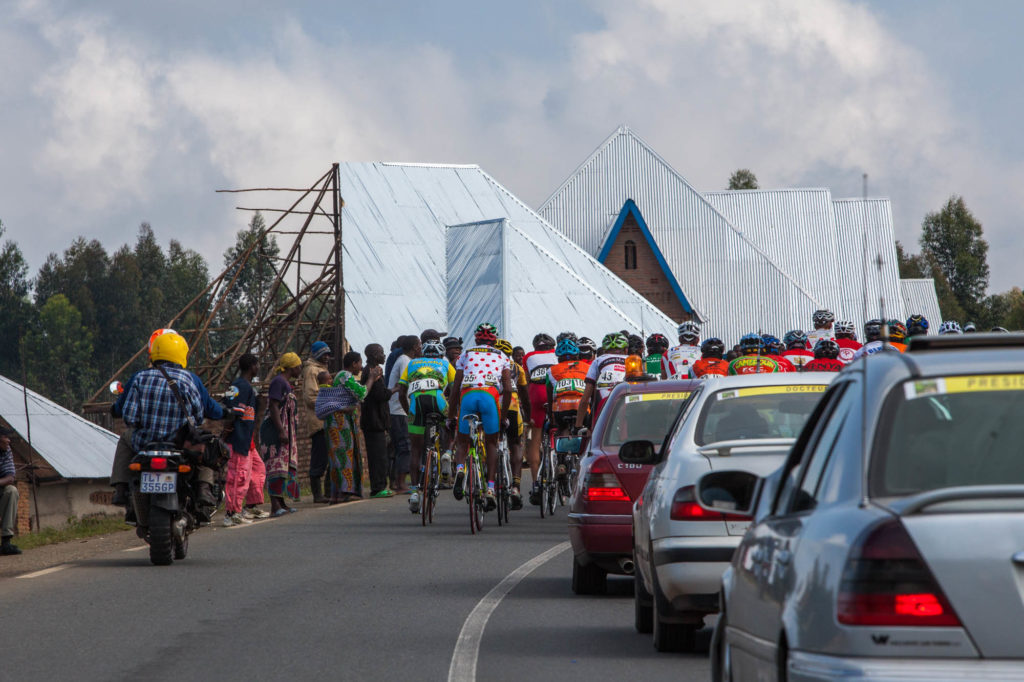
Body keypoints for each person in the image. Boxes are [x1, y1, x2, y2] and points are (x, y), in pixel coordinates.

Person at [447, 322, 513, 512]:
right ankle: (490, 488)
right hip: (489, 396)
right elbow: (508, 389)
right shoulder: (502, 356)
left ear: (476, 338)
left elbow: (454, 389)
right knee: (491, 444)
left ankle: (460, 469)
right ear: (495, 340)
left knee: (462, 442)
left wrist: (451, 416)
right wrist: (504, 415)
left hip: (468, 395)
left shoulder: (465, 354)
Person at [398, 340, 455, 513]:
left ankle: (415, 492)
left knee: (416, 450)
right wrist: (452, 413)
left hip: (416, 405)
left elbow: (401, 392)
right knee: (452, 426)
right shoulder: (445, 364)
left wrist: (409, 413)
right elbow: (454, 391)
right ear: (441, 354)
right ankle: (447, 453)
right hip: (438, 400)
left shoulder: (412, 363)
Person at [222, 354, 268, 526]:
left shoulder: (245, 387)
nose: (259, 368)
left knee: (257, 469)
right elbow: (231, 414)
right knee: (238, 476)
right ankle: (232, 512)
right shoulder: (239, 386)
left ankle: (250, 505)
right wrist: (225, 434)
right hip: (238, 439)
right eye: (257, 365)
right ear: (253, 366)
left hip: (247, 440)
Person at [320, 352, 373, 504]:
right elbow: (362, 393)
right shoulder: (345, 376)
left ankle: (340, 493)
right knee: (342, 456)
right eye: (360, 363)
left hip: (340, 421)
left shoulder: (341, 376)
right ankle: (343, 493)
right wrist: (371, 379)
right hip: (339, 423)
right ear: (354, 363)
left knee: (341, 456)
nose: (361, 367)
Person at [260, 352, 302, 516]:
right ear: (293, 367)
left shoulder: (285, 383)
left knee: (284, 467)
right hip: (274, 431)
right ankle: (274, 506)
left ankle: (281, 503)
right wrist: (281, 430)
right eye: (299, 366)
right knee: (275, 466)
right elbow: (274, 407)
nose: (300, 369)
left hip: (285, 431)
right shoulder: (278, 382)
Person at [495, 338, 530, 509]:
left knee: (491, 441)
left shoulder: (489, 362)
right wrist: (529, 415)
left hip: (494, 404)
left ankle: (490, 484)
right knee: (516, 443)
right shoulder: (517, 368)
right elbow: (524, 394)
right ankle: (515, 486)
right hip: (513, 406)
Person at [523, 333, 557, 494]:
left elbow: (527, 379)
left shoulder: (528, 356)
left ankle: (536, 482)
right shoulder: (557, 355)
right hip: (554, 394)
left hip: (535, 395)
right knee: (559, 430)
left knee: (534, 440)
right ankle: (560, 467)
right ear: (552, 347)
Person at [300, 341, 332, 503]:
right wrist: (330, 403)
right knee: (319, 458)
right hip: (319, 420)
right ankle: (317, 495)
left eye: (328, 354)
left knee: (328, 457)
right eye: (323, 354)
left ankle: (327, 492)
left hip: (326, 419)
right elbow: (311, 397)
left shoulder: (321, 369)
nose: (327, 357)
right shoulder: (312, 370)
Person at [576, 332, 629, 430]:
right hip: (628, 405)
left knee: (594, 435)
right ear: (626, 350)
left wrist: (578, 425)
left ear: (604, 350)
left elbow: (585, 398)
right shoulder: (633, 360)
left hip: (604, 404)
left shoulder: (598, 360)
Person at [359, 344, 392, 498]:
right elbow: (379, 395)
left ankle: (379, 485)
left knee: (380, 455)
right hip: (373, 420)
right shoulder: (371, 371)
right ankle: (378, 487)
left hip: (376, 419)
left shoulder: (374, 370)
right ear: (373, 355)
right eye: (380, 353)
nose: (384, 356)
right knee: (377, 456)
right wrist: (394, 390)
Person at [388, 335, 420, 493]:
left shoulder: (404, 360)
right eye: (420, 345)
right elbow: (404, 387)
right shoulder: (406, 361)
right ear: (415, 347)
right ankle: (401, 483)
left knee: (400, 446)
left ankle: (396, 482)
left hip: (399, 409)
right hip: (400, 410)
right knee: (405, 446)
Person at [0, 426, 21, 555]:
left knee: (11, 491)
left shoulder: (6, 450)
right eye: (5, 437)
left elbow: (10, 477)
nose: (8, 441)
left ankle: (6, 541)